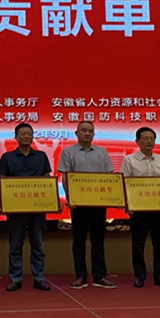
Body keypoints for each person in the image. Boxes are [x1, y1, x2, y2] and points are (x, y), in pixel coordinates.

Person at [57, 121, 117, 290]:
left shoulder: (101, 152)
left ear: (94, 134)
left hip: (98, 204)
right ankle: (80, 276)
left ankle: (99, 276)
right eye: (83, 130)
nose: (87, 133)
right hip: (79, 204)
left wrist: (111, 199)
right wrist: (70, 198)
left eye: (90, 131)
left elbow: (109, 177)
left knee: (98, 241)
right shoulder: (68, 152)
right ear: (76, 133)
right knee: (79, 241)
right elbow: (65, 177)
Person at [0, 123, 52, 291]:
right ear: (16, 137)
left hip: (37, 208)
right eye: (23, 134)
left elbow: (47, 179)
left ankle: (39, 278)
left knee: (38, 246)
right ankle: (15, 279)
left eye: (29, 134)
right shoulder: (7, 157)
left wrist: (52, 200)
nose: (26, 136)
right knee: (15, 246)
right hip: (16, 209)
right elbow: (2, 181)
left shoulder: (41, 156)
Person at [121, 127, 160, 288]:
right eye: (145, 138)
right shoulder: (129, 160)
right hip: (139, 209)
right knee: (138, 244)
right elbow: (124, 184)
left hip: (159, 208)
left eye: (151, 138)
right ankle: (140, 276)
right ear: (137, 141)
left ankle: (159, 275)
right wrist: (127, 203)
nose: (149, 141)